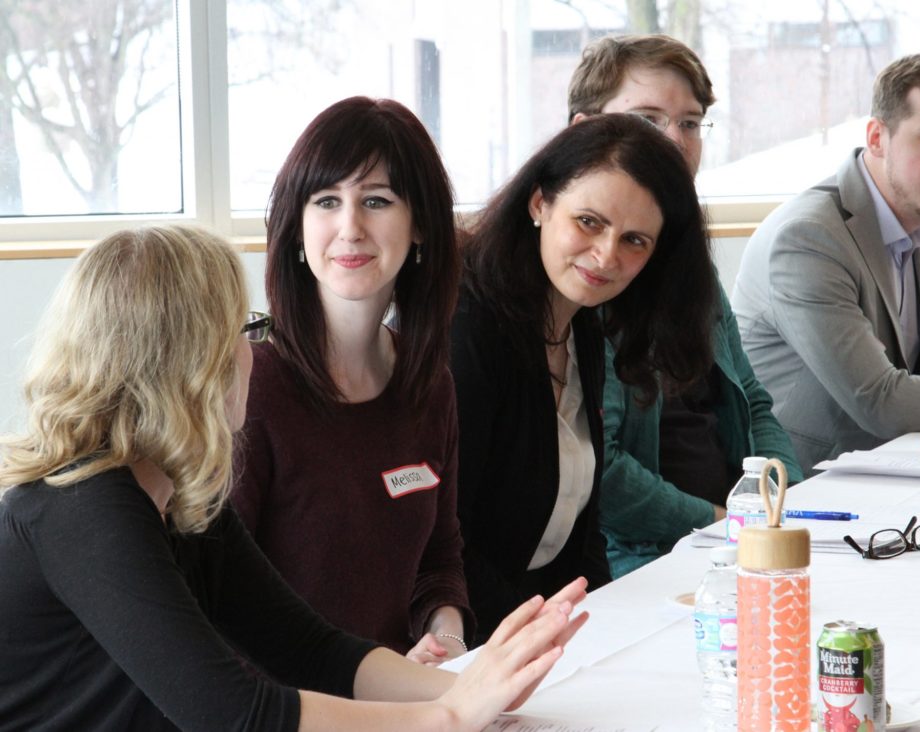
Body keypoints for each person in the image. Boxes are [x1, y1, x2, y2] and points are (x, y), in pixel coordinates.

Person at [0, 224, 588, 731]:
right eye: (241, 329)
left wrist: (472, 683)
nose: (251, 352)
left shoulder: (179, 495)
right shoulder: (85, 506)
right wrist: (449, 715)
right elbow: (234, 716)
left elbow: (311, 649)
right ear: (187, 362)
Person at [451, 112, 718, 640]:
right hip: (476, 639)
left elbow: (582, 530)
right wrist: (547, 636)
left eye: (635, 241)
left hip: (549, 629)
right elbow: (443, 543)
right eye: (589, 222)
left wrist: (598, 623)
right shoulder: (468, 327)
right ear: (539, 204)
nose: (606, 256)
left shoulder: (584, 327)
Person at [233, 97, 472, 664]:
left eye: (376, 200)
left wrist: (447, 642)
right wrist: (369, 684)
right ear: (295, 229)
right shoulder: (250, 383)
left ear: (419, 228)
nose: (350, 227)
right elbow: (219, 603)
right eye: (326, 201)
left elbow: (440, 560)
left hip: (395, 701)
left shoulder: (429, 384)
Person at [567, 34, 803, 578]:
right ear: (584, 132)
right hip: (639, 559)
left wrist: (781, 503)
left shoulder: (689, 257)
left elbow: (754, 402)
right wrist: (720, 522)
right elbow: (601, 470)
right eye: (648, 120)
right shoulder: (585, 270)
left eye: (690, 123)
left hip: (731, 539)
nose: (674, 141)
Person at [731, 52, 920, 474]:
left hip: (898, 474)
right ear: (876, 138)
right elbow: (880, 400)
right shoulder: (807, 239)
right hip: (804, 490)